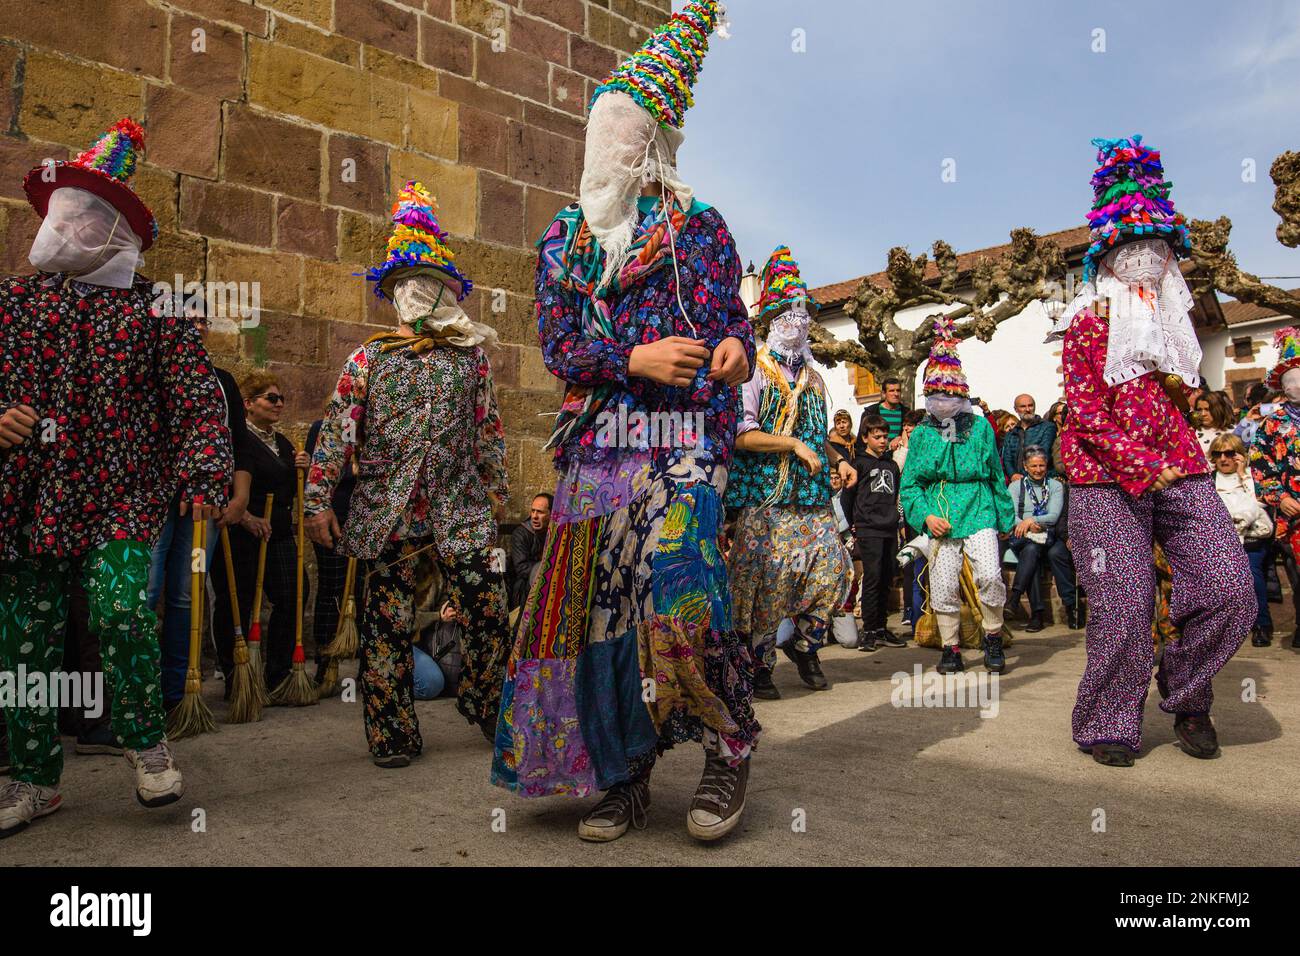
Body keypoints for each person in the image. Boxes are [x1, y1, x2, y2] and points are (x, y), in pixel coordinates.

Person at [492, 0, 760, 845]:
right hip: (601, 443)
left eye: (627, 135)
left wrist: (734, 351)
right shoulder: (564, 241)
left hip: (685, 437)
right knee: (601, 611)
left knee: (682, 584)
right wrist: (631, 361)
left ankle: (729, 744)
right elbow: (561, 345)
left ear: (653, 145)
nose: (610, 151)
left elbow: (735, 324)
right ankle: (624, 771)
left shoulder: (700, 228)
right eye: (603, 134)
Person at [0, 118, 233, 837]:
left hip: (123, 493)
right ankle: (32, 777)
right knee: (24, 635)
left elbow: (198, 401)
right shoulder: (15, 304)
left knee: (122, 606)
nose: (68, 225)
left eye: (86, 216)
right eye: (63, 212)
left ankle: (142, 739)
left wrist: (203, 478)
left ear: (113, 230)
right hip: (31, 496)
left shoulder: (156, 308)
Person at [1051, 135, 1254, 768]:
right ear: (1107, 262)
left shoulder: (1178, 330)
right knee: (1123, 602)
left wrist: (1175, 458)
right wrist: (1141, 463)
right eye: (1129, 251)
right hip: (1102, 480)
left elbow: (1190, 398)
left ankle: (1188, 692)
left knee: (1230, 588)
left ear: (1170, 257)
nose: (1143, 261)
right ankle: (1109, 717)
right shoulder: (1087, 324)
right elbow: (1083, 412)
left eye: (1154, 250)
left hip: (1186, 472)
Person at [306, 181, 512, 768]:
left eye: (430, 284)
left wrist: (497, 492)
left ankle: (485, 700)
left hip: (459, 506)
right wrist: (318, 500)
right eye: (407, 286)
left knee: (488, 612)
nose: (419, 293)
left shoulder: (469, 359)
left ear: (448, 291)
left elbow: (488, 430)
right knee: (387, 624)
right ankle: (392, 730)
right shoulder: (367, 360)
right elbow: (336, 430)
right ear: (392, 294)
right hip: (387, 510)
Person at [725, 247, 854, 698]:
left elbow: (819, 435)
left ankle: (804, 643)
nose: (795, 321)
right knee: (766, 583)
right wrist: (792, 445)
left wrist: (839, 460)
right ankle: (759, 665)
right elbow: (741, 434)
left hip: (811, 496)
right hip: (765, 496)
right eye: (786, 311)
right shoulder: (754, 369)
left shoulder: (816, 377)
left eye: (801, 312)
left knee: (833, 572)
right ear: (771, 318)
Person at [150, 314, 255, 710]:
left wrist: (239, 497)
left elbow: (239, 443)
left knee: (185, 595)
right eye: (184, 319)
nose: (195, 327)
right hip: (157, 502)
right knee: (145, 590)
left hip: (206, 506)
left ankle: (176, 695)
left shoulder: (222, 380)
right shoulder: (150, 369)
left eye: (201, 320)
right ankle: (130, 696)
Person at [899, 317, 1015, 674]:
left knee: (991, 576)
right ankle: (950, 648)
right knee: (944, 582)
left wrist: (1005, 518)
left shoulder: (980, 426)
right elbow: (910, 486)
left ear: (962, 392)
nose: (943, 401)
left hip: (979, 506)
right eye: (936, 395)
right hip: (940, 512)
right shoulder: (920, 434)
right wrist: (925, 517)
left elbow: (996, 473)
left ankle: (992, 636)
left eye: (950, 394)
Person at [209, 370, 307, 696]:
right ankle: (237, 678)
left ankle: (276, 674)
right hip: (241, 534)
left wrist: (301, 471)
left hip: (277, 533)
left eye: (282, 399)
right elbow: (225, 485)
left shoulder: (281, 442)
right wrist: (247, 516)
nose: (279, 404)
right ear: (248, 404)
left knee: (294, 593)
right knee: (237, 601)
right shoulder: (239, 439)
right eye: (271, 398)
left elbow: (290, 490)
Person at [1248, 326, 1300, 650]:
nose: (1296, 385)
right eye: (1291, 381)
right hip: (1293, 514)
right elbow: (1260, 464)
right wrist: (1280, 497)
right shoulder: (1272, 424)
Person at [843, 415, 905, 651]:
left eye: (884, 436)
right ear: (865, 438)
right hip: (868, 529)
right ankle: (868, 629)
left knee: (887, 577)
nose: (881, 440)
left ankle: (881, 627)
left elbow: (894, 495)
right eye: (876, 436)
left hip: (889, 528)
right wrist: (853, 525)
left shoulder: (891, 465)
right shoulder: (858, 463)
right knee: (872, 578)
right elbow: (848, 499)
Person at [306, 410, 358, 682]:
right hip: (333, 520)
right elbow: (318, 475)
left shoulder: (371, 430)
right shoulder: (323, 428)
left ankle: (365, 668)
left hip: (364, 522)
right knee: (332, 587)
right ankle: (326, 663)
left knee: (361, 591)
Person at [1004, 446, 1079, 631]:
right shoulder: (1015, 487)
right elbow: (1010, 514)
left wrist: (1032, 520)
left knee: (1055, 555)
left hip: (1050, 535)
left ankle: (1070, 607)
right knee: (1030, 550)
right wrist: (1025, 524)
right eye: (1034, 466)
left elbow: (1053, 516)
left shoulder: (1055, 486)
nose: (1038, 470)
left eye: (1042, 465)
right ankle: (1036, 614)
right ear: (1025, 466)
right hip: (1024, 536)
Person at [1209, 434, 1273, 647]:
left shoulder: (1250, 477)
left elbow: (1258, 501)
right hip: (1220, 541)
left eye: (1230, 453)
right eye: (1218, 454)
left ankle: (1262, 625)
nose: (1224, 459)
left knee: (1253, 576)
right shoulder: (1209, 480)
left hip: (1250, 540)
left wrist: (1242, 474)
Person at [507, 493, 552, 612]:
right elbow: (521, 568)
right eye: (533, 511)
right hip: (524, 587)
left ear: (551, 514)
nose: (534, 516)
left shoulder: (555, 533)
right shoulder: (521, 534)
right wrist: (547, 570)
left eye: (540, 512)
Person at [1001, 393, 1057, 481]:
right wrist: (1013, 474)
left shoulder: (1047, 427)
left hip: (1041, 480)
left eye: (1030, 406)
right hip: (1018, 482)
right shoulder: (1011, 433)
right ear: (1016, 409)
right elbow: (1007, 458)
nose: (1027, 409)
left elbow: (1043, 452)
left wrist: (1026, 475)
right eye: (1023, 406)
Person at [861, 378, 910, 456]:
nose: (896, 394)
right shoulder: (871, 412)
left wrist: (901, 437)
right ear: (884, 393)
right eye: (891, 391)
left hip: (899, 457)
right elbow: (861, 440)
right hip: (875, 458)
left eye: (898, 390)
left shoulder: (907, 413)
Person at [1194, 390, 1234, 461]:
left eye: (1207, 409)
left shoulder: (1233, 431)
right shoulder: (1191, 432)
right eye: (1199, 410)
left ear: (1218, 409)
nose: (1203, 414)